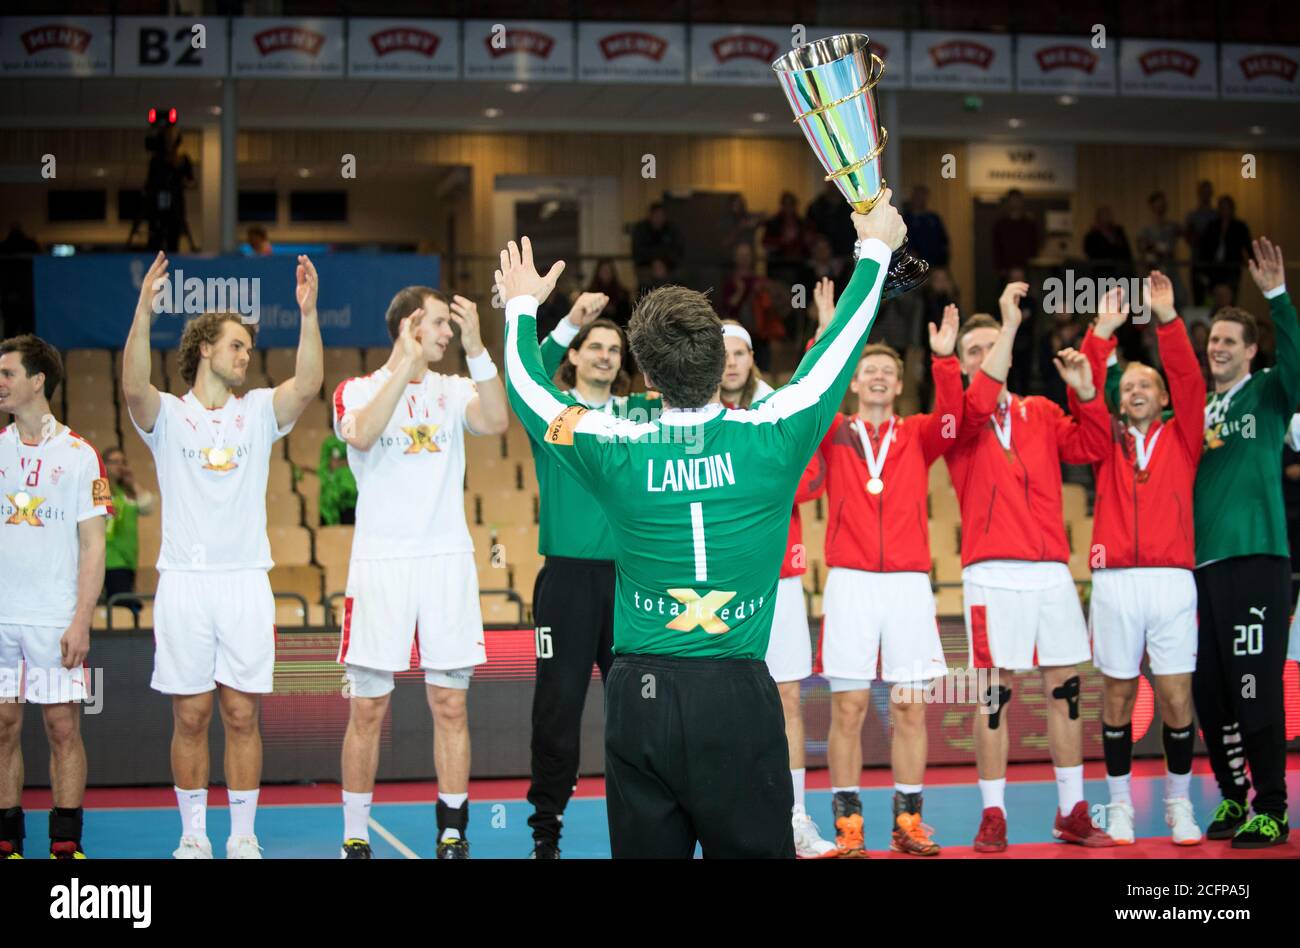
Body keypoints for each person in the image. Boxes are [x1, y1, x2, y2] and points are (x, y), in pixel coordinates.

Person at [500, 192, 907, 857]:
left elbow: (525, 386)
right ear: (724, 366)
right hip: (738, 692)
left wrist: (521, 304)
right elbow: (837, 349)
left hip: (641, 697)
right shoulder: (774, 438)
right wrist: (875, 249)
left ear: (649, 379)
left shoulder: (614, 445)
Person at [123, 251, 323, 859]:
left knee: (241, 715)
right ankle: (192, 836)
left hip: (243, 583)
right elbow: (132, 386)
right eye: (235, 346)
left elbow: (309, 383)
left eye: (248, 349)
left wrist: (309, 314)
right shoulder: (168, 416)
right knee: (190, 718)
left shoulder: (258, 412)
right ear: (204, 347)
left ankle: (240, 836)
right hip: (184, 582)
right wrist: (142, 309)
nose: (245, 356)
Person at [332, 285, 505, 860]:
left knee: (450, 705)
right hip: (380, 565)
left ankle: (453, 830)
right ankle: (356, 835)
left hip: (445, 564)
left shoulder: (454, 390)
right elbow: (361, 431)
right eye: (439, 324)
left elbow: (498, 420)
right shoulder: (356, 390)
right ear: (410, 326)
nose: (448, 333)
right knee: (368, 708)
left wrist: (480, 348)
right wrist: (403, 364)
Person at [948, 282, 1115, 852]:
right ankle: (993, 813)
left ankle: (1072, 810)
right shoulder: (959, 418)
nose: (984, 357)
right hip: (990, 574)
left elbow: (1093, 446)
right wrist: (1009, 324)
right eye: (974, 350)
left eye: (991, 347)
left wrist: (1087, 393)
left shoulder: (1041, 411)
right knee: (992, 698)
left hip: (1050, 572)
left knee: (1066, 691)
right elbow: (975, 400)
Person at [813, 296, 963, 857]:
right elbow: (810, 397)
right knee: (848, 708)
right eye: (868, 371)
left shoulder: (919, 434)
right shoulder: (833, 431)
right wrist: (824, 338)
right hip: (851, 580)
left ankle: (907, 821)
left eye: (888, 373)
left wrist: (945, 363)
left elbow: (955, 422)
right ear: (854, 383)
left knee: (909, 706)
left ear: (899, 386)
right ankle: (848, 825)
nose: (877, 378)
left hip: (906, 585)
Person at [524, 292, 660, 858]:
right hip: (568, 583)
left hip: (633, 583)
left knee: (642, 708)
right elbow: (526, 368)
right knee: (558, 705)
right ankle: (546, 833)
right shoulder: (554, 414)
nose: (606, 356)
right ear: (576, 358)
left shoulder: (644, 414)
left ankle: (654, 827)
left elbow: (706, 396)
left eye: (614, 349)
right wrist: (566, 324)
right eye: (594, 347)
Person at [1079, 274, 1206, 846]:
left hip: (1173, 579)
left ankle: (1180, 804)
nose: (1135, 391)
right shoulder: (1104, 438)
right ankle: (1120, 805)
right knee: (1117, 696)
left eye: (1145, 384)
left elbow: (1188, 377)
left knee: (1178, 695)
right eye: (1127, 385)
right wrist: (1101, 332)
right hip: (1114, 582)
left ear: (1162, 397)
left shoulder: (1184, 437)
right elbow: (1084, 389)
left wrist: (1168, 320)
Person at [718, 310, 837, 859]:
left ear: (751, 359)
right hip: (716, 584)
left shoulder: (777, 409)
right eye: (721, 354)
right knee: (719, 698)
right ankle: (720, 816)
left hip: (781, 578)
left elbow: (810, 480)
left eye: (739, 352)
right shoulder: (689, 414)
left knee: (787, 695)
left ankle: (794, 817)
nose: (732, 363)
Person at [1189, 238, 1294, 849]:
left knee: (1255, 682)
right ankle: (1234, 798)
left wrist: (1277, 296)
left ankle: (1273, 806)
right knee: (1211, 687)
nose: (1219, 347)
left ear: (1252, 351)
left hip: (1258, 559)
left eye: (1230, 340)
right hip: (1202, 569)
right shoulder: (1198, 411)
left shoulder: (1272, 395)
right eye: (1214, 341)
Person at [0, 335, 108, 859]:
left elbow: (93, 545)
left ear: (38, 380)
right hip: (2, 618)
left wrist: (81, 620)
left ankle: (65, 843)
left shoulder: (80, 455)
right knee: (3, 725)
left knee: (61, 725)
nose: (0, 382)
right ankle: (7, 840)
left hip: (53, 617)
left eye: (8, 373)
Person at [101, 446, 156, 613]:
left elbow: (148, 506)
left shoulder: (126, 491)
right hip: (110, 559)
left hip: (128, 560)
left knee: (125, 605)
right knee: (124, 607)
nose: (120, 466)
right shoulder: (99, 489)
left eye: (123, 462)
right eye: (115, 462)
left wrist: (132, 482)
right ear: (104, 465)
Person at [1197, 197, 1252, 305]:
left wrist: (1253, 262)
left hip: (1231, 267)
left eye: (1227, 208)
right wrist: (1202, 268)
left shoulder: (1239, 227)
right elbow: (1204, 248)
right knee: (1213, 299)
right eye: (1222, 208)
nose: (1225, 211)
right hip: (1213, 268)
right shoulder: (1212, 226)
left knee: (1230, 298)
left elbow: (1248, 246)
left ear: (1232, 209)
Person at [1137, 191, 1186, 307]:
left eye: (1162, 205)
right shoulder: (1147, 229)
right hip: (1154, 269)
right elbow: (1142, 246)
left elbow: (1186, 234)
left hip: (1170, 268)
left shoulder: (1171, 226)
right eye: (1157, 205)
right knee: (1152, 301)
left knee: (1179, 297)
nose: (1160, 208)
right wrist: (1154, 248)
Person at [762, 191, 813, 289]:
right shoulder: (773, 223)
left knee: (798, 300)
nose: (788, 208)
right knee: (779, 297)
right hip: (778, 267)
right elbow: (766, 243)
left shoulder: (802, 223)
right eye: (786, 204)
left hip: (798, 268)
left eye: (791, 204)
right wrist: (783, 241)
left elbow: (807, 244)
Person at [631, 203, 683, 288]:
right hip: (645, 266)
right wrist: (654, 263)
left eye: (662, 216)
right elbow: (638, 251)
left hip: (668, 267)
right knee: (646, 284)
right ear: (650, 216)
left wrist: (663, 263)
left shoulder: (671, 229)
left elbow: (677, 250)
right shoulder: (641, 229)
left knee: (678, 279)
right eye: (656, 215)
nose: (659, 219)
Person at [991, 189, 1040, 279]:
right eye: (1013, 200)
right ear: (1008, 202)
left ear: (1022, 202)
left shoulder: (1029, 225)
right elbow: (997, 247)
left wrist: (1029, 266)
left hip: (1027, 269)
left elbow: (1034, 245)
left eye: (1017, 200)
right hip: (1006, 270)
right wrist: (1001, 268)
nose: (1015, 203)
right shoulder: (1001, 225)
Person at [1184, 180, 1218, 306]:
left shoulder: (1216, 215)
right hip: (1197, 260)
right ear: (1199, 194)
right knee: (1198, 295)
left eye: (1208, 192)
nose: (1206, 195)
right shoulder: (1192, 216)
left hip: (1214, 263)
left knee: (1214, 295)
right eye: (1203, 192)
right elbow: (1188, 238)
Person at [805, 181, 857, 261]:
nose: (834, 187)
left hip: (846, 256)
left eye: (836, 183)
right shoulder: (816, 206)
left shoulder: (851, 206)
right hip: (820, 258)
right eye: (831, 183)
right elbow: (809, 232)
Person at [902, 185, 950, 268]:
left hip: (934, 264)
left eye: (923, 197)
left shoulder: (933, 218)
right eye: (918, 196)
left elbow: (943, 240)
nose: (920, 200)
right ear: (912, 197)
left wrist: (942, 259)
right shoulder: (904, 219)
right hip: (914, 266)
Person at [317, 432, 356, 526]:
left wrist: (341, 463)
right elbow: (331, 466)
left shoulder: (357, 442)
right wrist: (346, 462)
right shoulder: (330, 443)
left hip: (354, 496)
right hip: (334, 495)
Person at [1084, 207, 1133, 278]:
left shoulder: (1118, 232)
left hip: (1121, 272)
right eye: (1104, 216)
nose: (1106, 218)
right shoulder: (1092, 235)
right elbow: (1091, 254)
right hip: (1101, 273)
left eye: (1108, 215)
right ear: (1098, 218)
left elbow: (1127, 252)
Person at [586, 259, 632, 329]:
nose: (606, 273)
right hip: (596, 328)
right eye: (603, 270)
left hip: (617, 328)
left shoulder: (622, 293)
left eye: (608, 270)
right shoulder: (591, 293)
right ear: (598, 272)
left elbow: (625, 318)